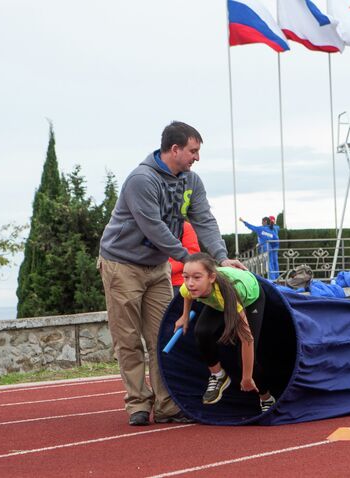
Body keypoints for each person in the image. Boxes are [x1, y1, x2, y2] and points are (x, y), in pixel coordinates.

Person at [99, 121, 246, 426]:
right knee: (127, 338)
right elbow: (154, 228)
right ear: (175, 149)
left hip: (157, 267)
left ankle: (167, 405)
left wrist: (220, 257)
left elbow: (204, 219)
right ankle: (138, 402)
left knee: (165, 335)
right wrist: (190, 261)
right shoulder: (142, 180)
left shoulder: (191, 181)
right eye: (193, 151)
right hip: (122, 265)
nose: (197, 158)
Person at [174, 252, 276, 413]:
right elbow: (186, 295)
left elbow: (247, 339)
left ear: (211, 277)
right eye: (186, 277)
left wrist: (247, 377)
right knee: (201, 331)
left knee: (246, 360)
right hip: (219, 301)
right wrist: (184, 316)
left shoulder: (229, 294)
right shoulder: (189, 287)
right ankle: (218, 375)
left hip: (250, 299)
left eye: (196, 277)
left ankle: (266, 397)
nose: (190, 283)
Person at [169, 221, 200, 287]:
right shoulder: (147, 223)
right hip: (147, 281)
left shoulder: (184, 226)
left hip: (177, 283)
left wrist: (168, 268)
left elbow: (193, 255)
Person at [268, 215, 280, 279]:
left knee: (271, 262)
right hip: (274, 246)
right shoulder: (276, 227)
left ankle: (273, 278)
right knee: (274, 261)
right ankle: (277, 276)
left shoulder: (273, 227)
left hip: (271, 246)